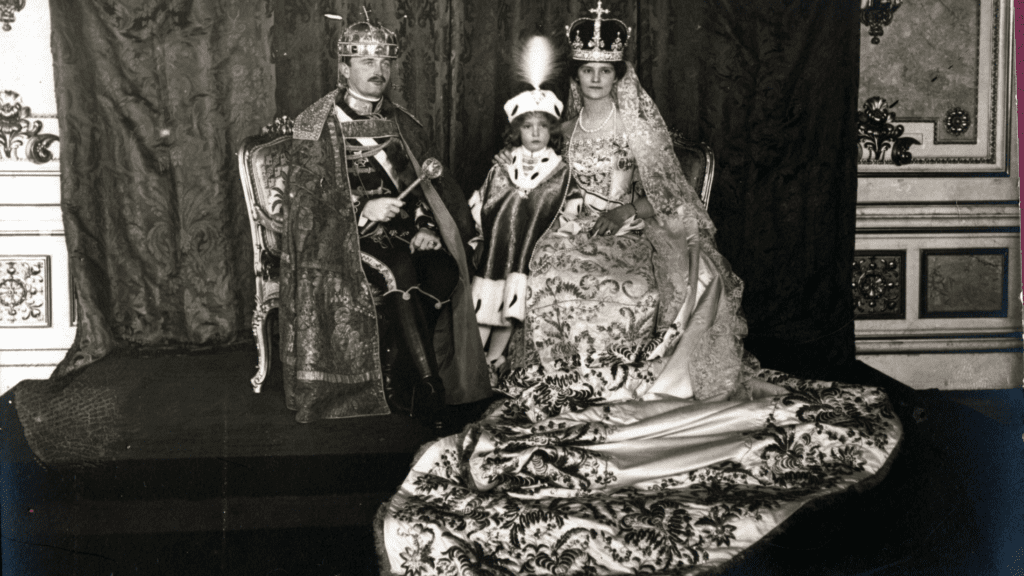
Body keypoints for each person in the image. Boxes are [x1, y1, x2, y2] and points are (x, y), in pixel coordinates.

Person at [376, 3, 901, 573]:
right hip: (570, 227)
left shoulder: (637, 128)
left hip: (628, 227)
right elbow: (540, 186)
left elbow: (668, 194)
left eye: (605, 70)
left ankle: (621, 385)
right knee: (547, 273)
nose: (595, 78)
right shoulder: (562, 128)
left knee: (618, 284)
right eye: (586, 71)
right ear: (575, 76)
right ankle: (564, 385)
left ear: (619, 74)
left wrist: (626, 208)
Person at [279, 11, 489, 426]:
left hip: (404, 232)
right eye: (366, 62)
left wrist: (427, 227)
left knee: (443, 270)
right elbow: (303, 202)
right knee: (400, 271)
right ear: (344, 68)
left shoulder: (402, 122)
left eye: (385, 62)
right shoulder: (315, 125)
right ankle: (428, 388)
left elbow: (426, 187)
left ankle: (404, 375)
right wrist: (360, 210)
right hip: (342, 236)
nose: (379, 72)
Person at [468, 36, 571, 376]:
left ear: (552, 129)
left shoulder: (558, 168)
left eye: (543, 126)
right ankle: (472, 361)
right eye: (528, 126)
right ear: (518, 130)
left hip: (526, 255)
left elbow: (559, 204)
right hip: (497, 253)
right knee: (485, 306)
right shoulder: (504, 164)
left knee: (512, 309)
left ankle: (494, 358)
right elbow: (488, 198)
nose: (536, 133)